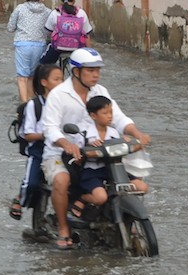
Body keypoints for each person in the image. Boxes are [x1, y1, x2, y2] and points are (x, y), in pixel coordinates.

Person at [40, 48, 151, 249]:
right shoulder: (58, 95)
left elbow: (117, 117)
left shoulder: (101, 91)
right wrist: (67, 144)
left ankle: (123, 217)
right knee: (61, 179)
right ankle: (64, 228)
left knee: (135, 180)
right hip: (60, 153)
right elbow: (50, 128)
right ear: (76, 72)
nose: (96, 74)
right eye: (90, 70)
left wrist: (137, 133)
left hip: (100, 153)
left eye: (97, 70)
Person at [76, 95, 149, 210]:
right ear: (93, 116)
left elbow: (120, 150)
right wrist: (89, 147)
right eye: (105, 113)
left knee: (142, 187)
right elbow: (77, 157)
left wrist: (125, 142)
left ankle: (126, 215)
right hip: (92, 172)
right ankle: (82, 198)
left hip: (113, 170)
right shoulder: (85, 135)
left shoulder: (114, 133)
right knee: (100, 197)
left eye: (111, 112)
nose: (110, 116)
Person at [9, 64, 63, 220]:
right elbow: (27, 134)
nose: (61, 82)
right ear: (44, 82)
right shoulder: (34, 105)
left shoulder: (64, 103)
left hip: (60, 150)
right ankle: (20, 199)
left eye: (62, 79)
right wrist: (46, 135)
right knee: (31, 183)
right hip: (38, 150)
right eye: (56, 79)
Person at [7, 0, 52, 103]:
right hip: (40, 46)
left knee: (22, 78)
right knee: (32, 77)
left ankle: (24, 106)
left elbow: (10, 28)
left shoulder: (20, 9)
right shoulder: (48, 11)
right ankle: (32, 103)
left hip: (23, 45)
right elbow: (50, 31)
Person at [40, 0, 92, 65]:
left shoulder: (55, 13)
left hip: (58, 48)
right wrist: (89, 53)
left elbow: (49, 32)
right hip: (77, 48)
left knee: (43, 64)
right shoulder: (81, 13)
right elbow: (87, 35)